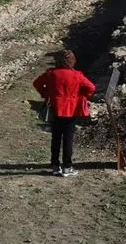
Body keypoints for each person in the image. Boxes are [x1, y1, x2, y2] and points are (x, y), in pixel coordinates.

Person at [32, 49, 96, 177]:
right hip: (71, 110)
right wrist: (81, 95)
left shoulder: (51, 74)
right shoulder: (77, 75)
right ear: (72, 62)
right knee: (68, 139)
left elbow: (37, 83)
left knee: (55, 138)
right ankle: (67, 166)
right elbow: (91, 87)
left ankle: (55, 165)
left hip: (55, 108)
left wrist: (46, 94)